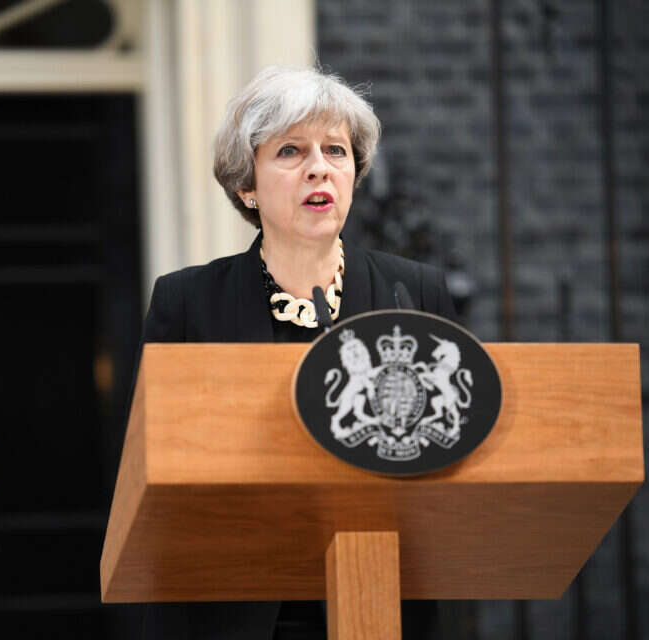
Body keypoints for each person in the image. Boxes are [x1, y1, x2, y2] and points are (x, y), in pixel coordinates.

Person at [137, 66, 454, 639]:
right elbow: (153, 483)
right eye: (290, 150)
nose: (318, 167)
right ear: (247, 185)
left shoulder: (414, 293)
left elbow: (449, 461)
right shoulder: (187, 303)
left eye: (335, 150)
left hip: (381, 606)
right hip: (236, 617)